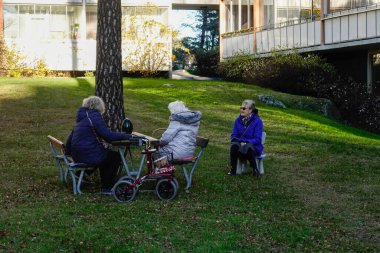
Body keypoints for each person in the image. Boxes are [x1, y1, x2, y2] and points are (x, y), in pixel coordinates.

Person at [66, 96, 130, 194]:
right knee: (115, 157)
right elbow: (108, 136)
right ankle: (107, 187)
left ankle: (85, 175)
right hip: (88, 154)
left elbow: (70, 139)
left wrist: (69, 153)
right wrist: (125, 136)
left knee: (105, 155)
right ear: (99, 106)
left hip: (78, 155)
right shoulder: (94, 116)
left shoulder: (82, 117)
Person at [228, 99, 264, 176]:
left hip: (254, 147)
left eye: (244, 108)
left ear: (250, 110)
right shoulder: (237, 120)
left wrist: (246, 142)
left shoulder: (258, 121)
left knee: (248, 146)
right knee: (234, 146)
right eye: (241, 108)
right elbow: (233, 135)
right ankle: (232, 170)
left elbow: (257, 139)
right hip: (240, 145)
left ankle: (255, 169)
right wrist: (239, 142)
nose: (241, 110)